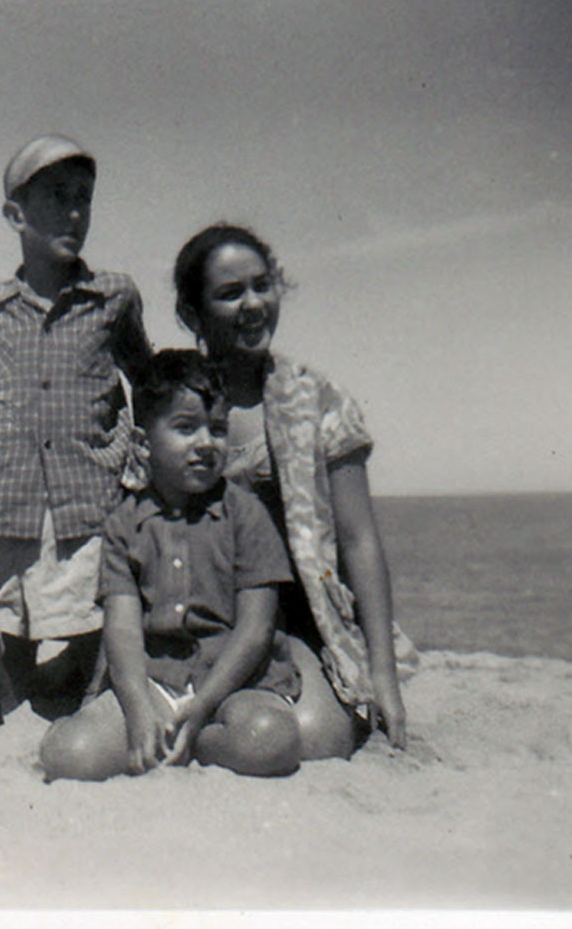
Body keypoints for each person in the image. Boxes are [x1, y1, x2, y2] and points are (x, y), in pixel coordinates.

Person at [0, 133, 153, 711]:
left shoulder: (114, 297)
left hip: (90, 500)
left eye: (84, 198)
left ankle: (85, 690)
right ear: (15, 215)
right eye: (57, 197)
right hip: (5, 500)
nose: (75, 213)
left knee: (96, 640)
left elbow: (150, 381)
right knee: (6, 663)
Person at [170, 223, 417, 754]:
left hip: (293, 618)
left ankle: (213, 732)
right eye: (230, 293)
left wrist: (383, 675)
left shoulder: (316, 399)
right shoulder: (171, 401)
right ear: (193, 313)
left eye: (262, 286)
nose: (253, 304)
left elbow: (358, 541)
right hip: (197, 615)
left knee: (321, 739)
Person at [39, 351, 303, 781]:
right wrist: (139, 712)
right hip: (157, 681)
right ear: (143, 444)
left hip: (236, 684)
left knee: (270, 739)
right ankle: (173, 737)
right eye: (186, 428)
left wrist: (202, 706)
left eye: (217, 429)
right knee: (68, 754)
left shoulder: (247, 515)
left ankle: (201, 743)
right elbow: (123, 631)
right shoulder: (124, 524)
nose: (206, 443)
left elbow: (256, 631)